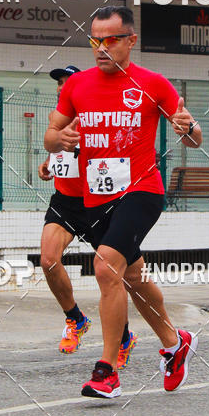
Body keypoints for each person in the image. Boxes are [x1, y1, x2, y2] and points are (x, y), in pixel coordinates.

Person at [44, 5, 203, 399]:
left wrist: (189, 127)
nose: (101, 47)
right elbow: (51, 134)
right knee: (131, 277)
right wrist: (58, 141)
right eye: (95, 39)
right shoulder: (77, 86)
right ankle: (174, 341)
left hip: (141, 191)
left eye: (111, 39)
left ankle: (107, 370)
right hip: (97, 197)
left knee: (104, 269)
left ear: (130, 41)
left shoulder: (153, 84)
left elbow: (192, 136)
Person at [39, 65, 137, 368]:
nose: (61, 87)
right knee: (48, 260)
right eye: (59, 83)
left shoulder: (96, 115)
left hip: (98, 202)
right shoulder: (58, 118)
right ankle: (76, 319)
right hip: (65, 202)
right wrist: (48, 163)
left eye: (67, 82)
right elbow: (59, 148)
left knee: (111, 275)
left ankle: (123, 338)